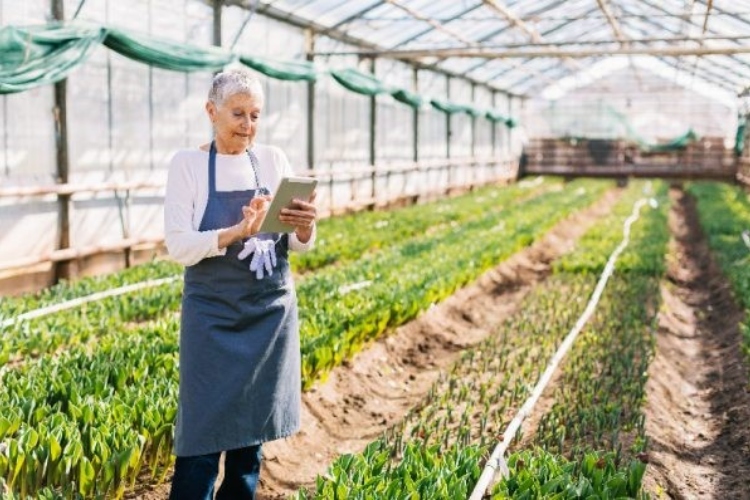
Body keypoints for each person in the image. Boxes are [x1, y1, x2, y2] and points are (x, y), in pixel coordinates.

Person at [163, 67, 317, 500]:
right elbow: (178, 245)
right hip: (212, 316)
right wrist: (236, 232)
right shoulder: (188, 165)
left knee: (251, 436)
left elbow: (298, 244)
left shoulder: (273, 160)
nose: (248, 126)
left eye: (255, 115)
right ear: (211, 111)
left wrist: (305, 226)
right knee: (201, 434)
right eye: (238, 114)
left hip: (268, 313)